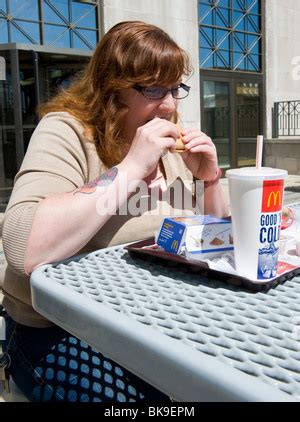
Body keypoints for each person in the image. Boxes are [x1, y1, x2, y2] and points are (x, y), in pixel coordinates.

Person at [1, 21, 228, 402]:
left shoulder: (173, 152)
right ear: (111, 87)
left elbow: (217, 240)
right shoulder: (69, 132)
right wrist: (130, 169)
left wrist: (209, 179)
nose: (170, 105)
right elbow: (24, 247)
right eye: (153, 88)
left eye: (175, 89)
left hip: (155, 323)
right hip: (57, 329)